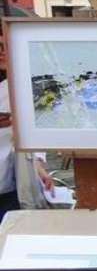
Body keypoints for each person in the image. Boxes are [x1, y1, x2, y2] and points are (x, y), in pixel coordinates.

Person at [0, 31, 54, 221]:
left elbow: (35, 135)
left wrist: (39, 171)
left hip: (12, 185)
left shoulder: (24, 87)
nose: (3, 52)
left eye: (7, 46)